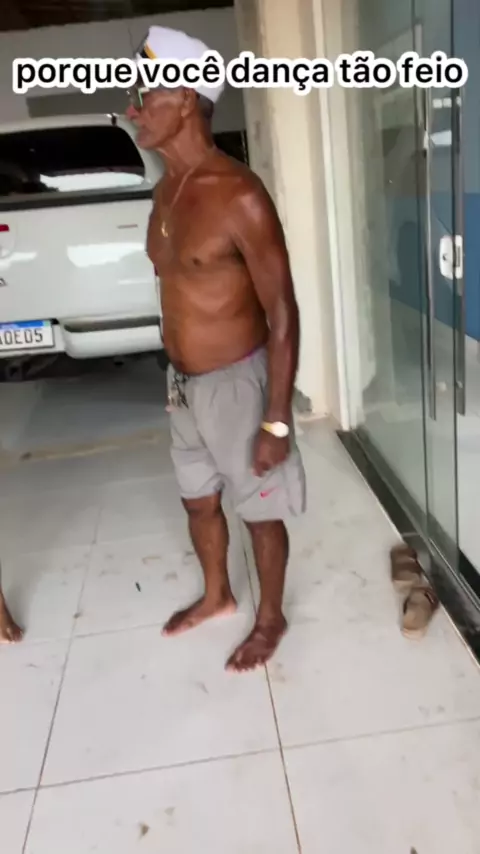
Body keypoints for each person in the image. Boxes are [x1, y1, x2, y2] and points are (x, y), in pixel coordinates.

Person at [127, 26, 306, 672]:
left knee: (259, 508)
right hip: (182, 384)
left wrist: (276, 419)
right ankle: (217, 595)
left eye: (144, 94)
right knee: (197, 499)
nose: (132, 109)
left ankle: (270, 617)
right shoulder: (164, 192)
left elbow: (282, 312)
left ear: (184, 99)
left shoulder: (240, 195)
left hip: (238, 382)